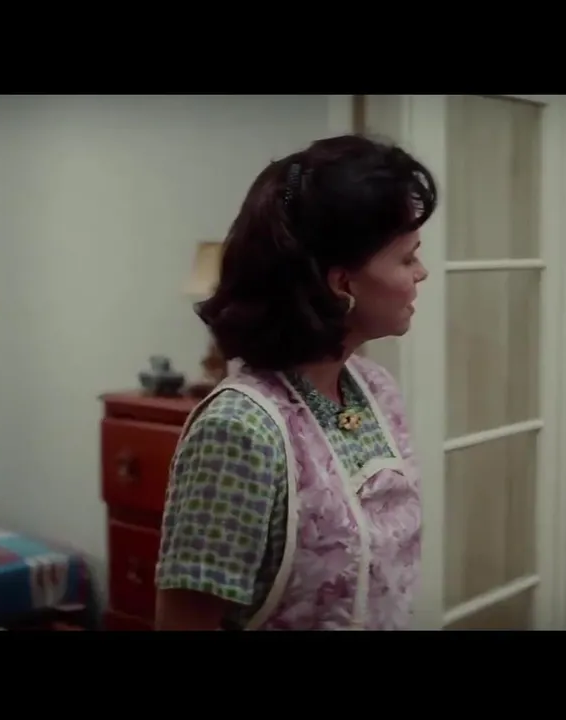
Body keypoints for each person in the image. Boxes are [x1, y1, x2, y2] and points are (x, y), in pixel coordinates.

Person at [154, 135, 435, 630]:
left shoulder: (376, 389)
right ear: (342, 282)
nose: (422, 272)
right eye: (407, 258)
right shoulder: (239, 430)